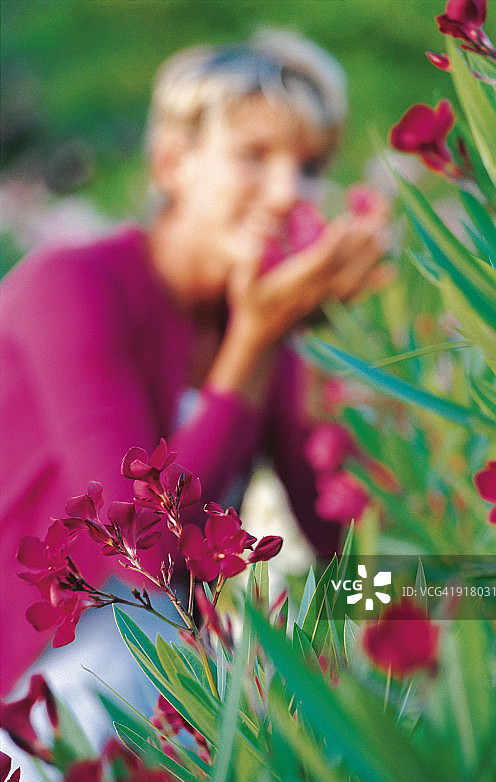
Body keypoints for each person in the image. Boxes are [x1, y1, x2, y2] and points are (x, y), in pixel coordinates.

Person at [0, 29, 391, 698]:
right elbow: (142, 552)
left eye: (309, 167)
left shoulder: (262, 313)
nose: (286, 192)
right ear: (172, 161)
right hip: (39, 684)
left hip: (168, 683)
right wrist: (259, 339)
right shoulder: (70, 286)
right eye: (254, 156)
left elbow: (342, 544)